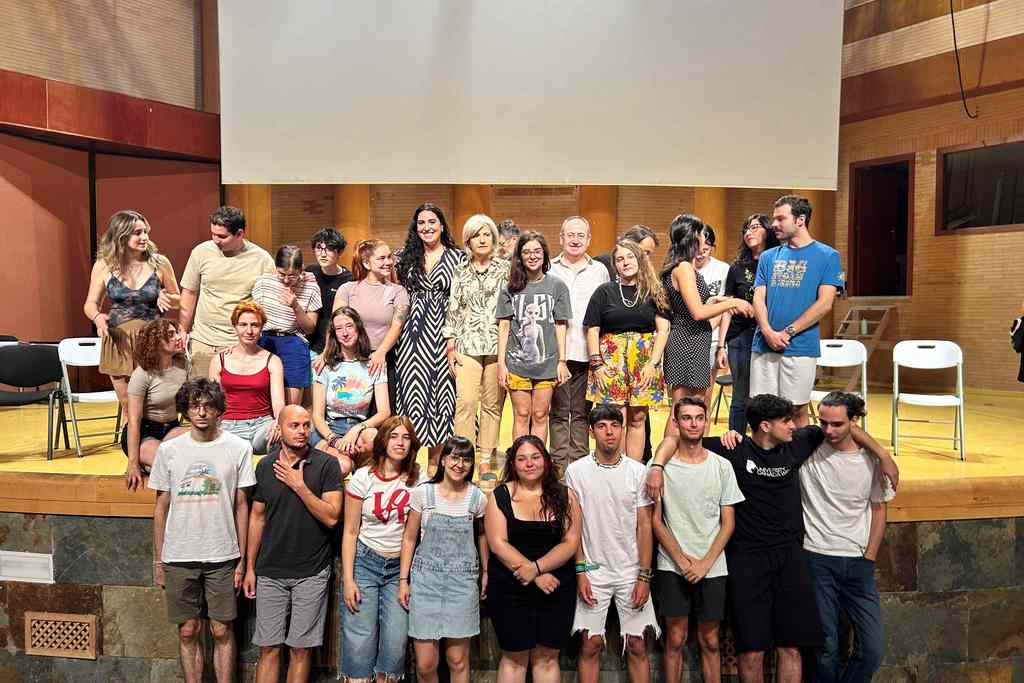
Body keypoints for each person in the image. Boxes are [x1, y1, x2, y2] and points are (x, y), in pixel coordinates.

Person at [646, 394, 899, 683]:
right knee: (751, 651)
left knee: (791, 648)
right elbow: (675, 438)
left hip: (791, 558)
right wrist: (657, 466)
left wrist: (883, 455)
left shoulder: (798, 443)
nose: (794, 425)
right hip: (748, 561)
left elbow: (843, 426)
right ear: (765, 426)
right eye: (786, 421)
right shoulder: (734, 449)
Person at [150, 378, 255, 683]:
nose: (201, 412)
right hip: (179, 554)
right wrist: (159, 560)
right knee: (187, 629)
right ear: (186, 409)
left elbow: (242, 506)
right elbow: (160, 508)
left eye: (208, 406)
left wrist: (242, 561)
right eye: (195, 405)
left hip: (222, 553)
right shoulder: (169, 450)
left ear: (218, 409)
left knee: (222, 629)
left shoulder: (239, 448)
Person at [244, 405, 342, 683]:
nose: (301, 431)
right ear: (280, 428)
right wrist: (250, 567)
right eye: (294, 426)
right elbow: (257, 518)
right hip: (270, 571)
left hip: (311, 571)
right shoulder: (265, 466)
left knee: (301, 649)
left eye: (306, 425)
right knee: (269, 648)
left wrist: (299, 485)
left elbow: (332, 517)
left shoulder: (326, 464)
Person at [800, 392, 894, 682]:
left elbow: (879, 511)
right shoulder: (809, 447)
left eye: (838, 424)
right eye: (824, 422)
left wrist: (869, 557)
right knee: (825, 646)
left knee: (873, 649)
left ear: (854, 421)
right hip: (817, 557)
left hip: (858, 563)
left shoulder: (870, 462)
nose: (829, 430)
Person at [650, 398, 744, 683]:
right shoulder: (661, 467)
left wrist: (704, 564)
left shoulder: (722, 466)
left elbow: (728, 523)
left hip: (712, 566)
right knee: (675, 639)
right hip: (672, 565)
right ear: (676, 423)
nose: (693, 423)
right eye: (687, 418)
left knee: (711, 640)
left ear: (706, 421)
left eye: (699, 418)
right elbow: (655, 520)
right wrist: (680, 560)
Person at [567, 406, 658, 683]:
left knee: (637, 645)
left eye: (615, 425)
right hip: (594, 570)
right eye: (603, 425)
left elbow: (645, 526)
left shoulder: (638, 471)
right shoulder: (576, 471)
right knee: (591, 644)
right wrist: (581, 570)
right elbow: (575, 526)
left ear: (622, 429)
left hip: (631, 570)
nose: (609, 431)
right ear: (592, 431)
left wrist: (644, 575)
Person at [484, 435, 581, 683]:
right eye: (522, 459)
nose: (529, 463)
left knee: (548, 658)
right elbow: (497, 543)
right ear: (513, 464)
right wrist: (533, 574)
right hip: (510, 584)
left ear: (546, 461)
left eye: (535, 457)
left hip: (556, 586)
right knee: (514, 657)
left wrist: (537, 568)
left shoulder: (566, 496)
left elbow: (570, 543)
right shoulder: (500, 495)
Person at [340, 416, 425, 682]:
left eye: (406, 437)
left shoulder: (418, 479)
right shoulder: (363, 478)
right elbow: (351, 531)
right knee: (359, 640)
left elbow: (414, 533)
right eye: (394, 436)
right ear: (383, 441)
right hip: (366, 561)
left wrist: (404, 579)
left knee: (396, 642)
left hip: (399, 565)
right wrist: (348, 579)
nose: (400, 443)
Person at [398, 437, 489, 683]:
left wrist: (485, 572)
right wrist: (404, 580)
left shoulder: (477, 498)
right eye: (455, 457)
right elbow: (409, 538)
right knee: (426, 664)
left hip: (462, 584)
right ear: (443, 460)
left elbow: (481, 536)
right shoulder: (423, 493)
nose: (460, 464)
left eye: (467, 459)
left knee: (458, 661)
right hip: (425, 581)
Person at [751, 195, 844, 428]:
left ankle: (798, 464)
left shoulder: (828, 256)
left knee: (796, 410)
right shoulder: (768, 257)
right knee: (762, 410)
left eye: (781, 219)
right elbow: (758, 297)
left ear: (800, 219)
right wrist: (768, 332)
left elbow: (824, 303)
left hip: (800, 347)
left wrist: (788, 332)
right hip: (764, 344)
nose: (774, 224)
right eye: (774, 218)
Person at [661, 214, 752, 437]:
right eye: (702, 234)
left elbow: (693, 305)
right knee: (681, 408)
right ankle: (667, 463)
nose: (705, 239)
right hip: (686, 340)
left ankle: (688, 457)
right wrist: (732, 301)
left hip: (695, 338)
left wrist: (717, 301)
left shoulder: (684, 267)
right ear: (693, 237)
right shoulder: (683, 268)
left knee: (696, 405)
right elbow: (697, 312)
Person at [84, 209, 180, 411]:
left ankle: (154, 440)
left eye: (145, 231)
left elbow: (178, 299)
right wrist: (97, 317)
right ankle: (131, 441)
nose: (144, 237)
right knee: (128, 406)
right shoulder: (104, 265)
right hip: (119, 340)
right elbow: (90, 304)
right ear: (120, 235)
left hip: (153, 340)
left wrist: (168, 298)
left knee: (153, 404)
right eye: (137, 233)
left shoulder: (159, 263)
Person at [395, 203, 467, 468]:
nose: (426, 227)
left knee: (442, 398)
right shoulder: (403, 257)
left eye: (432, 222)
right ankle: (409, 468)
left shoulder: (459, 258)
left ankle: (435, 468)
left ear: (442, 225)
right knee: (413, 397)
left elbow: (465, 301)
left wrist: (456, 338)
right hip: (411, 337)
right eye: (421, 223)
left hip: (446, 334)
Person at [585, 239, 670, 461]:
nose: (625, 263)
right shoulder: (604, 292)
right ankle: (616, 468)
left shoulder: (654, 291)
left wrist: (653, 364)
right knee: (616, 418)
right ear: (615, 265)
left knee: (638, 418)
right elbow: (592, 330)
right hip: (610, 361)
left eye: (630, 257)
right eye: (620, 259)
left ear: (640, 259)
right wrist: (597, 365)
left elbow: (663, 330)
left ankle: (634, 470)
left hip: (644, 362)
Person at [443, 214, 511, 479]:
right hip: (467, 346)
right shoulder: (460, 271)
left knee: (493, 405)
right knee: (467, 402)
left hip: (498, 346)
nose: (482, 239)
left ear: (493, 239)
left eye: (486, 234)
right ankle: (463, 457)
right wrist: (450, 345)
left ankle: (485, 460)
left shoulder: (506, 268)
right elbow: (454, 310)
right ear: (468, 241)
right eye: (476, 235)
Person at [180, 206, 275, 379]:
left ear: (239, 234)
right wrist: (183, 330)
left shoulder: (262, 259)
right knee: (202, 401)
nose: (216, 240)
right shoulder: (201, 252)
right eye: (213, 234)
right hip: (203, 342)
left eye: (222, 236)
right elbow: (190, 292)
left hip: (239, 343)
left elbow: (266, 305)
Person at [497, 231, 572, 443]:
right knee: (521, 415)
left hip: (546, 364)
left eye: (537, 251)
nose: (532, 256)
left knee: (540, 415)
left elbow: (560, 324)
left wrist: (562, 361)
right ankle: (518, 463)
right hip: (516, 363)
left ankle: (539, 462)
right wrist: (501, 364)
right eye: (527, 252)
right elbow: (504, 326)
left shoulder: (557, 286)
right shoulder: (510, 288)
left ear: (545, 254)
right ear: (519, 257)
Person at [548, 216, 609, 472]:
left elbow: (606, 311)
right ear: (561, 238)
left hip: (588, 352)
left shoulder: (600, 271)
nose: (575, 240)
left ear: (588, 240)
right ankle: (559, 467)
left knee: (583, 413)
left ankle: (581, 466)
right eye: (570, 235)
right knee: (560, 412)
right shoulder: (549, 268)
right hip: (556, 353)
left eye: (580, 235)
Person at [717, 214, 779, 433]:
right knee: (740, 394)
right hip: (740, 336)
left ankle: (763, 443)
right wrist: (721, 345)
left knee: (765, 394)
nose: (748, 232)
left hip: (770, 334)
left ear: (768, 231)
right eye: (746, 229)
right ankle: (736, 444)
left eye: (755, 227)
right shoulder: (737, 268)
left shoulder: (778, 263)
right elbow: (727, 308)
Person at [333, 239, 410, 412]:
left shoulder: (398, 291)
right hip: (350, 360)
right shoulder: (347, 289)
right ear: (366, 263)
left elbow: (396, 326)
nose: (388, 262)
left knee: (381, 417)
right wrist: (327, 353)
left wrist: (381, 352)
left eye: (389, 257)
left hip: (382, 360)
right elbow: (336, 325)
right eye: (381, 258)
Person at [310, 307, 388, 474]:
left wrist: (356, 429)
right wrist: (334, 440)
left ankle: (363, 480)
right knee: (342, 466)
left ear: (358, 328)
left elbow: (384, 412)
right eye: (339, 328)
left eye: (349, 326)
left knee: (374, 438)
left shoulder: (374, 364)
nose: (344, 333)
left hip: (360, 427)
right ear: (334, 334)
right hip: (330, 428)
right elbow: (317, 415)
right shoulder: (326, 365)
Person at [209, 302, 285, 455]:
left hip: (262, 424)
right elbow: (213, 402)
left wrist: (278, 423)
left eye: (255, 325)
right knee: (227, 448)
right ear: (235, 327)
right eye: (243, 324)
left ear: (261, 328)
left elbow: (278, 402)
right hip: (229, 425)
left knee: (279, 437)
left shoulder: (273, 360)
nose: (249, 331)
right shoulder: (220, 359)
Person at [251, 245, 322, 405]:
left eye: (292, 276)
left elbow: (310, 328)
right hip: (265, 341)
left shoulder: (310, 287)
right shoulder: (263, 283)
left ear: (301, 270)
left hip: (293, 343)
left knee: (292, 405)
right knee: (263, 400)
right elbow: (254, 316)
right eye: (281, 274)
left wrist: (295, 306)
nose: (285, 280)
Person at [123, 318, 189, 490]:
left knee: (202, 446)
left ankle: (153, 467)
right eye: (170, 334)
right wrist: (132, 463)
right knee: (173, 463)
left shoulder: (183, 366)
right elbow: (133, 422)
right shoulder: (142, 374)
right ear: (156, 342)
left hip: (171, 428)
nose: (177, 337)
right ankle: (147, 464)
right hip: (145, 432)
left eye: (176, 333)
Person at [305, 227, 353, 365]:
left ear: (339, 252)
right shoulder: (309, 273)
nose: (323, 254)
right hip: (308, 343)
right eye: (319, 248)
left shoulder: (349, 279)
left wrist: (327, 351)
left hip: (334, 345)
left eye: (329, 249)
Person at [696, 224, 731, 411]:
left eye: (706, 249)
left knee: (704, 401)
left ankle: (702, 440)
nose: (700, 254)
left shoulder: (723, 269)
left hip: (712, 340)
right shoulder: (683, 269)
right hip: (686, 339)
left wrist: (721, 346)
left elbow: (726, 309)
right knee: (681, 401)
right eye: (696, 248)